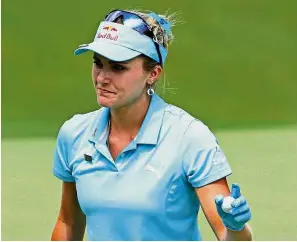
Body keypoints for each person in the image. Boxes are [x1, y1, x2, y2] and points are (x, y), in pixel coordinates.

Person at [51, 9, 252, 241]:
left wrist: (236, 227)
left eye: (118, 67)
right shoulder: (74, 134)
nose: (102, 77)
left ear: (153, 73)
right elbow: (68, 222)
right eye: (98, 63)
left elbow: (227, 234)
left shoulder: (190, 138)